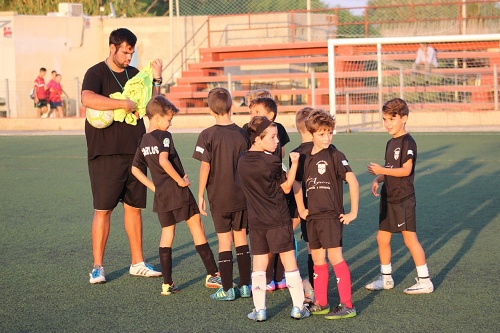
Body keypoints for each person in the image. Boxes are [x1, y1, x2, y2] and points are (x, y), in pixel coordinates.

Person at [81, 28, 163, 284]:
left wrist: (157, 81)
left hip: (134, 152)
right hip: (105, 153)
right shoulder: (96, 73)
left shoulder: (135, 75)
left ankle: (137, 263)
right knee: (103, 210)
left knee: (134, 208)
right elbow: (87, 99)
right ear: (112, 48)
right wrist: (122, 104)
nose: (129, 57)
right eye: (125, 52)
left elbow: (153, 108)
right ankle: (97, 267)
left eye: (132, 52)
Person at [131, 95, 222, 295]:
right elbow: (164, 160)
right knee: (196, 227)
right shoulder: (163, 136)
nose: (170, 124)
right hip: (178, 193)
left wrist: (155, 187)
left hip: (162, 196)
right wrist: (180, 181)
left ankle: (167, 283)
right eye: (168, 119)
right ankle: (213, 274)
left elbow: (135, 170)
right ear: (156, 118)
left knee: (167, 234)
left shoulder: (143, 141)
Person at [236, 116, 310, 321]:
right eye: (273, 137)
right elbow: (286, 187)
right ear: (258, 139)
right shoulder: (272, 161)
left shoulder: (241, 160)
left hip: (257, 221)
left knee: (259, 265)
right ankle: (298, 307)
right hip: (278, 218)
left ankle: (259, 310)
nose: (277, 141)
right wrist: (294, 163)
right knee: (289, 262)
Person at [365, 98, 434, 295]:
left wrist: (380, 170)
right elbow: (390, 168)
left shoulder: (408, 142)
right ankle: (386, 278)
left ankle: (425, 280)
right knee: (382, 238)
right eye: (385, 119)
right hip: (389, 198)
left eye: (391, 119)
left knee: (410, 240)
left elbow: (405, 170)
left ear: (404, 118)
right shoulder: (390, 142)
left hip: (403, 199)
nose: (387, 123)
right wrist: (379, 177)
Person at [297, 109, 359, 320]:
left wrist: (353, 212)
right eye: (322, 134)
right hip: (313, 217)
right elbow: (297, 183)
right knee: (317, 259)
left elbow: (352, 181)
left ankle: (347, 305)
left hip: (331, 217)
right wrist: (300, 208)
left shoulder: (335, 155)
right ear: (311, 134)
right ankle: (321, 302)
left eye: (330, 132)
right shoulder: (305, 157)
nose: (327, 137)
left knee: (335, 257)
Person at [192, 87, 252, 301]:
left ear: (210, 110)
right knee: (241, 240)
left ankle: (227, 288)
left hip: (219, 197)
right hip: (242, 196)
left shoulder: (207, 135)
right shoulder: (243, 134)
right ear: (232, 106)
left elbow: (204, 167)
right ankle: (246, 286)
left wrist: (200, 195)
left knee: (224, 242)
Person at [246, 95, 291, 291]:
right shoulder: (251, 145)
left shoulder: (277, 131)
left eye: (257, 112)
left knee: (282, 241)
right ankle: (269, 278)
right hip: (264, 196)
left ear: (271, 115)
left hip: (276, 188)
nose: (253, 116)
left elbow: (281, 154)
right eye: (252, 112)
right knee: (269, 244)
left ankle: (279, 277)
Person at [289, 107, 316, 302]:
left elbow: (294, 183)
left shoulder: (295, 153)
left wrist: (299, 208)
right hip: (326, 206)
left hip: (305, 208)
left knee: (312, 246)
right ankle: (315, 285)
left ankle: (313, 286)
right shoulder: (324, 150)